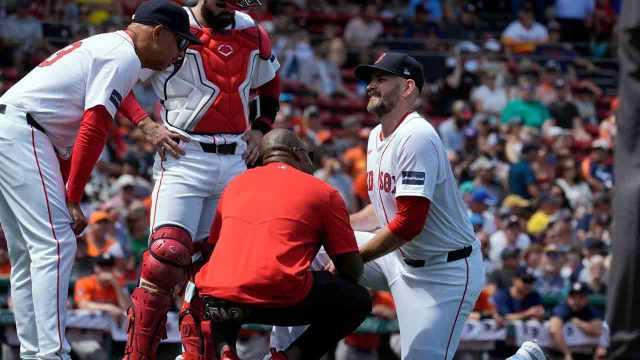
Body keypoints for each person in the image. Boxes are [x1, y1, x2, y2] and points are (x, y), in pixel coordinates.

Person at [0, 1, 200, 358]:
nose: (179, 52)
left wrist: (143, 122)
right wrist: (72, 196)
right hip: (24, 133)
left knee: (29, 252)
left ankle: (36, 352)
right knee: (55, 243)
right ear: (158, 33)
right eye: (179, 41)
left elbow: (114, 94)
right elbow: (94, 127)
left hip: (17, 128)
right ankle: (51, 353)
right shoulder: (121, 56)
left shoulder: (113, 48)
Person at [287, 52, 485, 359]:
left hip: (444, 272)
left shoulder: (416, 136)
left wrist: (353, 256)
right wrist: (334, 227)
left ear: (407, 88)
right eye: (370, 79)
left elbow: (408, 223)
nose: (370, 86)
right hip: (400, 259)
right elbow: (381, 211)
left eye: (381, 79)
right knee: (307, 242)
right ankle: (285, 350)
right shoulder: (377, 135)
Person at [116, 1, 282, 358]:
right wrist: (145, 124)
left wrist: (260, 128)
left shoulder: (252, 30)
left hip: (236, 157)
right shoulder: (170, 23)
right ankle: (137, 355)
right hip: (183, 154)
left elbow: (270, 84)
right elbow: (118, 79)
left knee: (215, 271)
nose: (228, 8)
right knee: (165, 257)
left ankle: (198, 354)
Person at [194, 129, 371, 360]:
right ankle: (290, 356)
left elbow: (214, 249)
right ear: (298, 153)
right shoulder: (323, 191)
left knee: (225, 286)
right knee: (358, 300)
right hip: (280, 297)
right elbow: (351, 269)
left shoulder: (234, 186)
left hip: (218, 299)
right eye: (310, 155)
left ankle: (226, 350)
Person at [549, 282, 603, 360]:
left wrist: (578, 322)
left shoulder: (588, 309)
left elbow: (597, 329)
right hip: (558, 352)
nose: (576, 301)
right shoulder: (563, 307)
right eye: (573, 297)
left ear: (586, 299)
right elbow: (554, 329)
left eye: (580, 297)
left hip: (583, 352)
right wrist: (567, 354)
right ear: (568, 298)